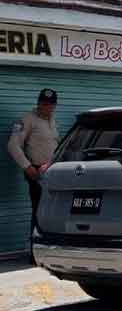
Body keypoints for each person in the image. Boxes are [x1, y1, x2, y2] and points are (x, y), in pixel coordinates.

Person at [7, 89, 59, 265]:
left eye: (50, 104)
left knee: (53, 212)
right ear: (38, 103)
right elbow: (13, 145)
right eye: (43, 103)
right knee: (39, 212)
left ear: (54, 106)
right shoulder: (27, 119)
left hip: (52, 171)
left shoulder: (51, 121)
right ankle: (35, 254)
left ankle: (50, 251)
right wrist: (27, 167)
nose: (46, 107)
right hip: (36, 172)